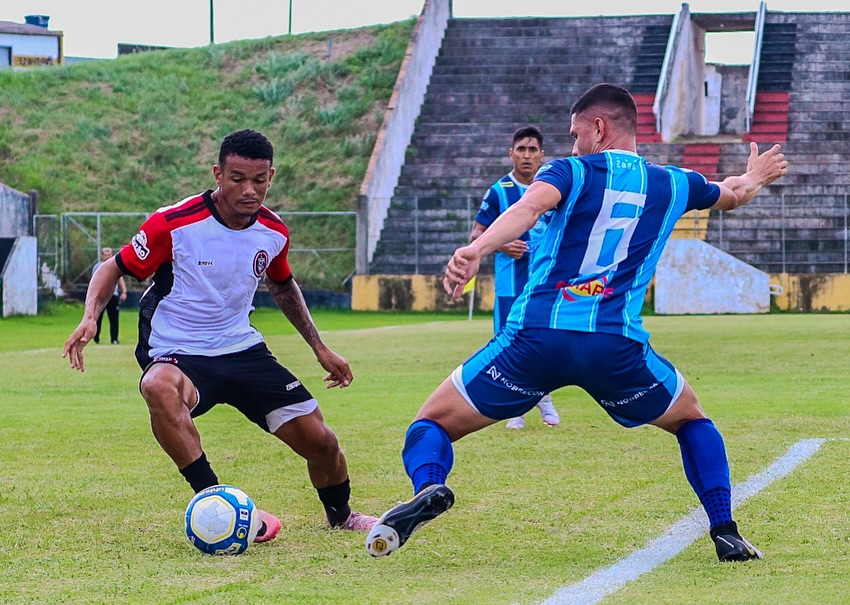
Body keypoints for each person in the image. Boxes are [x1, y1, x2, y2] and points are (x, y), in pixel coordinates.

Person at [365, 84, 788, 562]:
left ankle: (429, 487)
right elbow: (732, 193)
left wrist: (475, 249)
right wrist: (755, 175)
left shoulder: (570, 170)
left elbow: (527, 207)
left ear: (599, 128)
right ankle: (725, 530)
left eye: (575, 133)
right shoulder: (675, 182)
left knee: (430, 424)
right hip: (614, 346)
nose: (572, 144)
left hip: (537, 339)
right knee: (693, 420)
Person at [64, 129, 377, 543]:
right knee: (158, 386)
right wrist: (90, 317)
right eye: (237, 178)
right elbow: (113, 267)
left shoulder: (273, 232)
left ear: (271, 177)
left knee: (322, 443)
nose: (249, 190)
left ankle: (342, 516)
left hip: (241, 347)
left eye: (259, 180)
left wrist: (320, 347)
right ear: (218, 173)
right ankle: (215, 501)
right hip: (178, 348)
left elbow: (282, 285)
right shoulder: (173, 223)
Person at [471, 126, 559, 429]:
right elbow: (476, 235)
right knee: (508, 345)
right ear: (511, 153)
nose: (526, 155)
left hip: (545, 285)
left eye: (533, 150)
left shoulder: (554, 189)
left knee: (543, 341)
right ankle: (515, 410)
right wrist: (503, 243)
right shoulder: (499, 192)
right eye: (521, 149)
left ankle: (544, 398)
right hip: (510, 286)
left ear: (542, 155)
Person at [92, 247, 127, 344]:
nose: (107, 257)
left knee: (114, 318)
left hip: (113, 295)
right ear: (102, 256)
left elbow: (120, 279)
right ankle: (96, 338)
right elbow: (94, 281)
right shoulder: (98, 267)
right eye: (105, 255)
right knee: (98, 318)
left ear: (112, 255)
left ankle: (114, 339)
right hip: (101, 296)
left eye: (109, 255)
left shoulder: (116, 265)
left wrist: (124, 291)